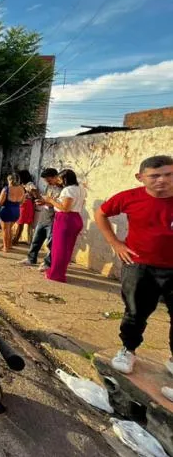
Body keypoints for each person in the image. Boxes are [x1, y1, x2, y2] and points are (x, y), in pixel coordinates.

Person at [94, 155, 173, 379]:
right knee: (135, 312)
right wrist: (115, 243)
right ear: (141, 177)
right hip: (139, 265)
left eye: (168, 174)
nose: (162, 180)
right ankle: (128, 350)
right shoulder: (129, 197)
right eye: (155, 176)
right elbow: (101, 213)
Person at [40, 169, 85, 283]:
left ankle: (56, 274)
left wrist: (50, 200)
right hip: (75, 218)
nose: (58, 181)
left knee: (59, 249)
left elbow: (65, 208)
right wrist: (51, 202)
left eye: (60, 179)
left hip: (65, 219)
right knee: (66, 249)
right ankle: (59, 271)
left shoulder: (68, 190)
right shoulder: (80, 189)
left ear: (65, 179)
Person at [18, 168, 60, 270]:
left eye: (49, 180)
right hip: (44, 215)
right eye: (46, 181)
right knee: (36, 239)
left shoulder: (62, 190)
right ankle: (31, 258)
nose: (47, 183)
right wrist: (40, 200)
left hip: (54, 218)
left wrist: (46, 202)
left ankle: (47, 263)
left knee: (51, 243)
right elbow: (45, 198)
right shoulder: (49, 187)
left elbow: (59, 204)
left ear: (55, 177)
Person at [0, 173, 25, 253]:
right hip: (16, 211)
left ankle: (5, 247)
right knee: (10, 228)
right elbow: (22, 202)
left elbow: (0, 202)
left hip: (7, 210)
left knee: (5, 230)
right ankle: (9, 244)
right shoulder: (22, 189)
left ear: (10, 180)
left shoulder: (6, 189)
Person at [13, 170, 37, 245]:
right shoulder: (23, 184)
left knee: (21, 222)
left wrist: (28, 194)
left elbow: (35, 194)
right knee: (20, 222)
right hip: (22, 204)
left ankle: (15, 240)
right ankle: (18, 239)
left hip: (26, 205)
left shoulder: (30, 184)